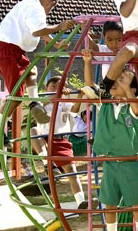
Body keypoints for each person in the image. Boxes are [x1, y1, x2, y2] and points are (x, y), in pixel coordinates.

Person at [0, 0, 75, 147]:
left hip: (14, 51)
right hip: (9, 52)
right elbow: (37, 31)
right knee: (16, 96)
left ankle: (35, 103)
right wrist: (59, 27)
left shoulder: (26, 4)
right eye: (52, 8)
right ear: (52, 2)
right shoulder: (37, 9)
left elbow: (35, 30)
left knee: (31, 72)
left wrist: (55, 44)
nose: (50, 11)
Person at [82, 49, 138, 231]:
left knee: (137, 203)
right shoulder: (106, 106)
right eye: (115, 81)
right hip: (110, 162)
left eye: (122, 81)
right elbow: (90, 88)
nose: (114, 84)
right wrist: (87, 62)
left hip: (131, 164)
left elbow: (137, 109)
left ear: (132, 89)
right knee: (109, 203)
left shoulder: (133, 107)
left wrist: (127, 89)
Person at [31, 76, 97, 209]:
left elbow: (75, 110)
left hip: (61, 140)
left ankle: (81, 202)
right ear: (46, 89)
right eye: (53, 86)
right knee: (33, 130)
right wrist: (55, 97)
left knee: (71, 171)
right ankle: (47, 163)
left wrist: (78, 96)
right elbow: (39, 106)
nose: (57, 89)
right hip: (44, 140)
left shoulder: (64, 103)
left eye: (61, 86)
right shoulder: (42, 100)